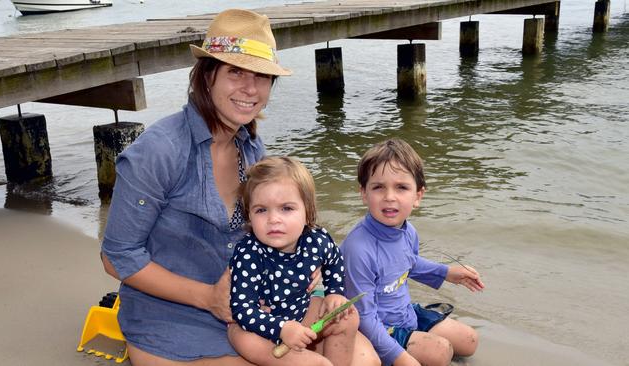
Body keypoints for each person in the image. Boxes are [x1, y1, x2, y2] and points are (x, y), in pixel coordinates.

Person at [99, 8, 379, 366]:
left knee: (363, 355)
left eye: (261, 76)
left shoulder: (251, 149)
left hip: (256, 309)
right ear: (207, 77)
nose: (251, 88)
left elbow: (269, 232)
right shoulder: (159, 152)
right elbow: (116, 256)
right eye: (236, 72)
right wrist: (209, 298)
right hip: (173, 320)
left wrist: (309, 265)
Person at [341, 138, 486, 366]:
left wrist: (447, 272)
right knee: (440, 352)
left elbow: (408, 263)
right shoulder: (358, 249)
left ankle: (416, 339)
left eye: (401, 187)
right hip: (378, 326)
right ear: (364, 193)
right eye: (378, 187)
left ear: (418, 195)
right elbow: (364, 318)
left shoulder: (408, 231)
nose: (390, 196)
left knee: (469, 340)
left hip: (406, 313)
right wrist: (400, 358)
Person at [228, 156, 358, 366]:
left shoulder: (316, 240)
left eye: (286, 208)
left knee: (347, 317)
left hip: (299, 312)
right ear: (249, 216)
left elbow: (334, 260)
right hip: (254, 329)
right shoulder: (248, 253)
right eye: (261, 210)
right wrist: (281, 328)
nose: (274, 219)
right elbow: (243, 310)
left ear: (308, 212)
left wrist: (334, 291)